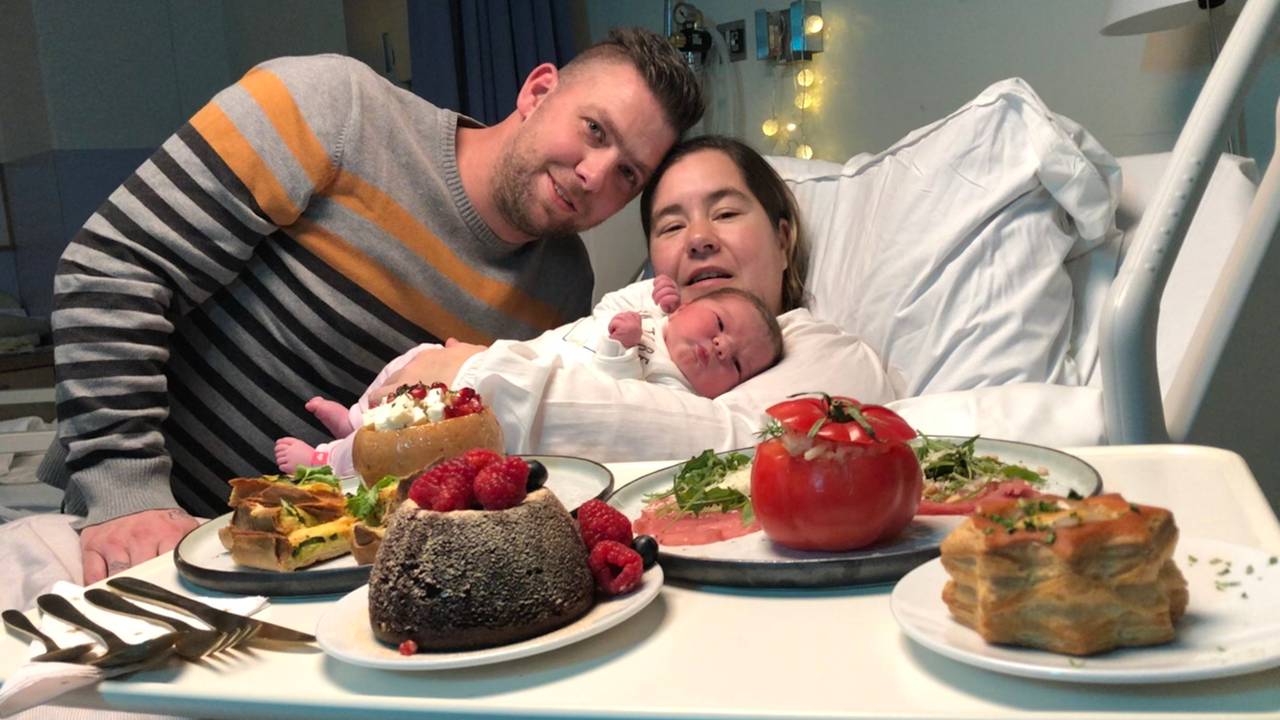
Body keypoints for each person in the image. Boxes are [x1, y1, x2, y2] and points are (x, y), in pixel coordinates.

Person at [35, 28, 704, 584]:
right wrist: (125, 490)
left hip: (322, 578)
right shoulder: (336, 108)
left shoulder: (561, 292)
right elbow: (114, 266)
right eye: (593, 130)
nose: (594, 175)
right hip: (149, 525)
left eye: (628, 174)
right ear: (537, 91)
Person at [364, 135, 900, 461]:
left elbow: (738, 444)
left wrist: (481, 377)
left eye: (727, 212)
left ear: (783, 240)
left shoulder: (831, 354)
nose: (698, 238)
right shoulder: (639, 312)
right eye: (671, 225)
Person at [274, 284, 784, 475]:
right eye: (718, 326)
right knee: (420, 356)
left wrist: (622, 347)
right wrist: (662, 298)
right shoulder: (654, 310)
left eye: (735, 364)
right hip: (497, 358)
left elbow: (619, 389)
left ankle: (327, 460)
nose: (720, 347)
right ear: (691, 307)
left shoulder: (677, 390)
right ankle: (355, 417)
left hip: (498, 386)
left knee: (419, 436)